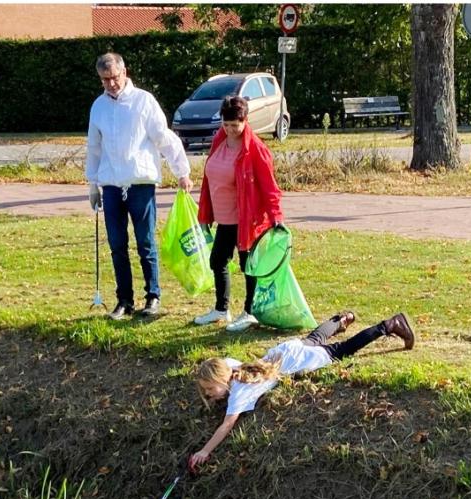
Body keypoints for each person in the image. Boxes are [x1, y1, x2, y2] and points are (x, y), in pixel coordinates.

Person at [189, 311, 415, 469]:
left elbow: (227, 424)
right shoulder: (230, 365)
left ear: (221, 378)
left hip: (301, 359)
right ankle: (342, 319)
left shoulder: (239, 391)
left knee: (344, 349)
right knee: (314, 338)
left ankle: (390, 325)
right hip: (286, 350)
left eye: (210, 390)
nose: (210, 396)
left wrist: (205, 451)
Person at [86, 52, 193, 320]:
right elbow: (94, 148)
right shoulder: (98, 107)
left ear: (124, 72)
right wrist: (92, 184)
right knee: (117, 244)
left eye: (114, 77)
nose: (111, 84)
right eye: (104, 79)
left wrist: (181, 171)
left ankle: (153, 296)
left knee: (145, 242)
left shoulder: (144, 101)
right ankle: (124, 300)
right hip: (111, 184)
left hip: (140, 182)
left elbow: (163, 137)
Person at [194, 95, 286, 332]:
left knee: (249, 265)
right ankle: (221, 309)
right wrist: (205, 214)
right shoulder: (219, 140)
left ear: (245, 121)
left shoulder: (256, 149)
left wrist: (276, 216)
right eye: (226, 125)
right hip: (225, 218)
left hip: (247, 219)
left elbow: (269, 186)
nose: (230, 130)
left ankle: (250, 311)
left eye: (235, 125)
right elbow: (208, 179)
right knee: (218, 261)